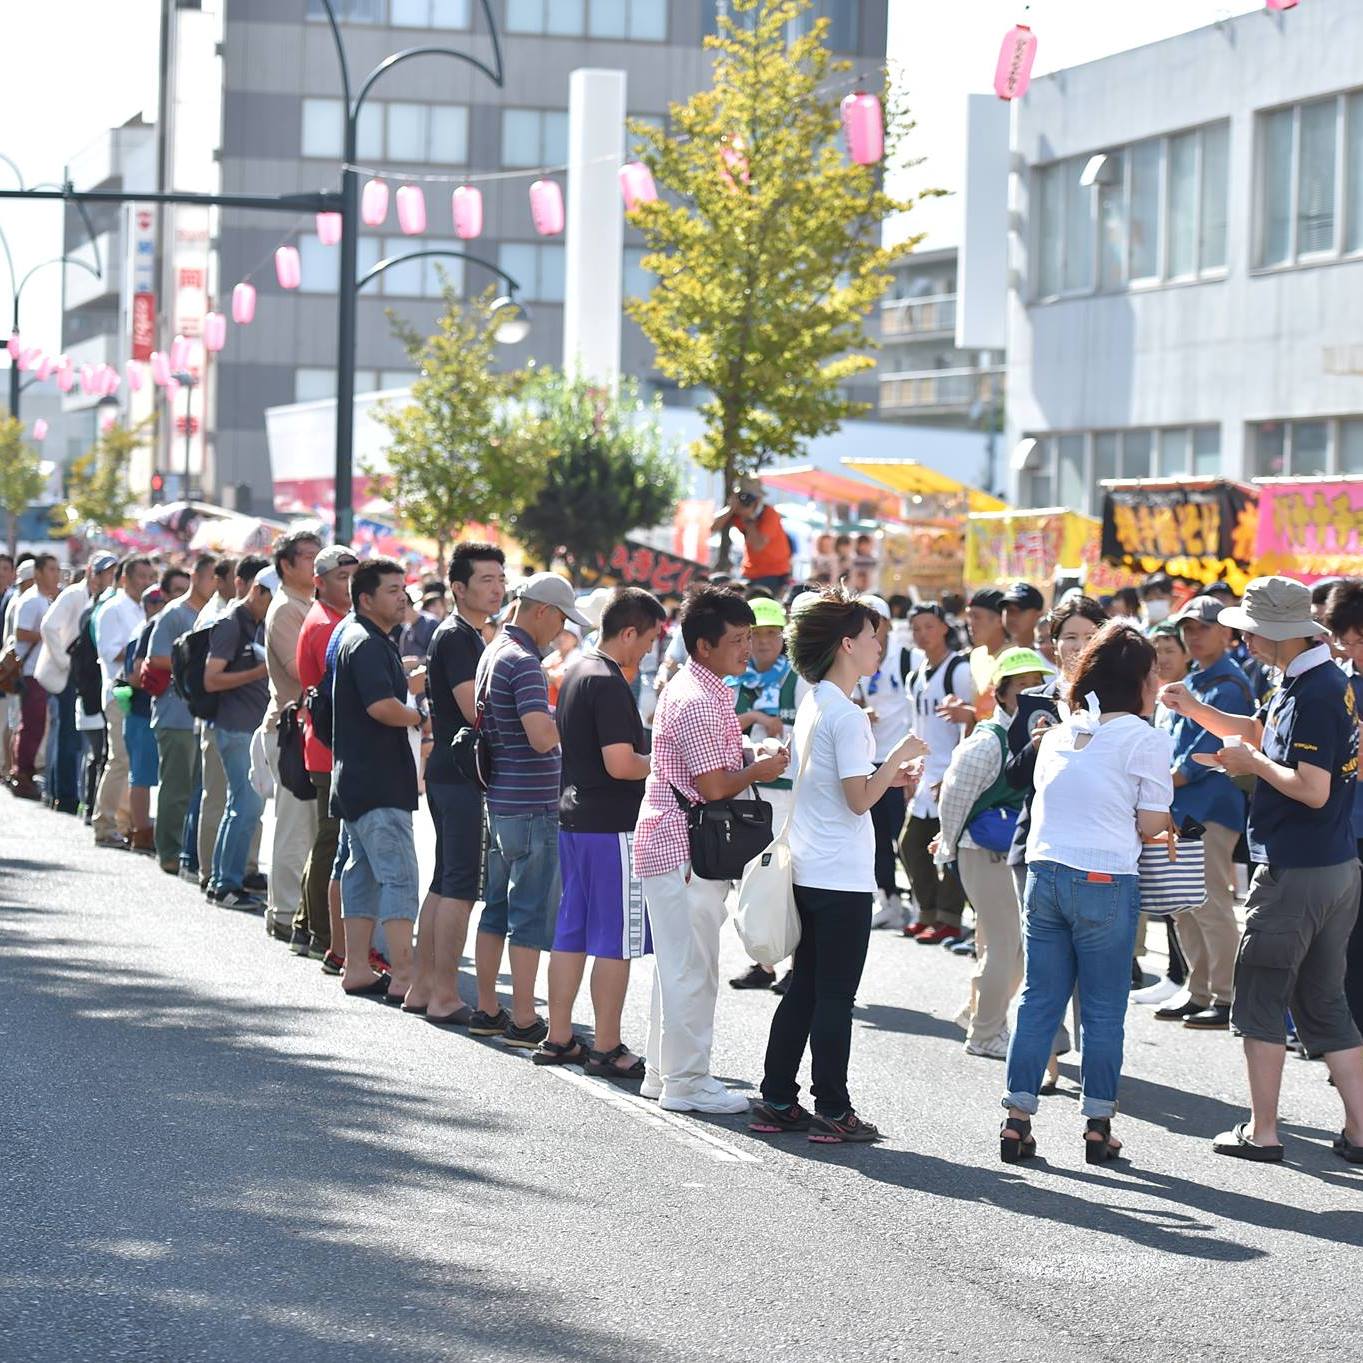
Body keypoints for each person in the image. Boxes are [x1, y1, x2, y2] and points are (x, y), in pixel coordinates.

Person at [1160, 577, 1363, 1164]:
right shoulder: (1310, 680)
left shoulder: (1317, 689)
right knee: (1325, 1004)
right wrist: (1197, 710)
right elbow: (1259, 734)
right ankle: (1357, 1129)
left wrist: (1252, 765)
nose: (1243, 640)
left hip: (1297, 868)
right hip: (1331, 866)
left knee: (1261, 997)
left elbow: (1312, 788)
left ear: (1281, 634)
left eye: (1250, 632)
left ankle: (1263, 1131)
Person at [749, 589, 923, 1143]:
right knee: (833, 997)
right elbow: (857, 800)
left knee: (805, 989)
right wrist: (895, 758)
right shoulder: (847, 715)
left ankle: (777, 1096)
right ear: (847, 643)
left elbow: (838, 783)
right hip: (841, 876)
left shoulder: (815, 699)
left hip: (808, 866)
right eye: (873, 637)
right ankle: (834, 1106)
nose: (880, 646)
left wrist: (882, 773)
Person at [999, 621, 1173, 1165]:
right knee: (1101, 1009)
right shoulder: (1146, 739)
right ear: (1138, 682)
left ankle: (1017, 1119)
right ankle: (1098, 1124)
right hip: (1106, 879)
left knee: (1038, 1000)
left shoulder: (1058, 734)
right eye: (1154, 675)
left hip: (1045, 873)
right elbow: (1149, 825)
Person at [633, 587, 791, 1114]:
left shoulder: (701, 689)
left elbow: (714, 764)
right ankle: (687, 1082)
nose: (747, 649)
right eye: (738, 640)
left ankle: (664, 1074)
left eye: (750, 638)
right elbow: (716, 785)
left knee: (677, 967)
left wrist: (750, 751)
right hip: (685, 848)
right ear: (704, 645)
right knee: (691, 969)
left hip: (678, 844)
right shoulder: (699, 699)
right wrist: (759, 768)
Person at [535, 587, 667, 1076]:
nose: (649, 651)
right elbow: (622, 764)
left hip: (575, 816)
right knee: (616, 939)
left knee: (571, 931)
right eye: (649, 640)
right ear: (628, 632)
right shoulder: (608, 679)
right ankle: (607, 1046)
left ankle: (560, 1036)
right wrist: (664, 763)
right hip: (612, 826)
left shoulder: (576, 670)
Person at [470, 572, 590, 1046]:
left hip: (501, 797)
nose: (561, 631)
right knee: (529, 915)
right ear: (542, 610)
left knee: (496, 909)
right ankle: (523, 1018)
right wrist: (575, 718)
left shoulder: (494, 650)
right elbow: (541, 736)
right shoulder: (523, 661)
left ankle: (487, 1008)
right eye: (560, 619)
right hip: (532, 803)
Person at [404, 542, 505, 1022]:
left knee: (446, 880)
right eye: (486, 580)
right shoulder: (459, 637)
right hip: (458, 772)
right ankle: (444, 994)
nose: (497, 588)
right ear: (458, 587)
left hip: (449, 768)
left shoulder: (464, 634)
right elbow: (474, 710)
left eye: (500, 579)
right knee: (459, 884)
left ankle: (424, 988)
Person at [934, 648, 1051, 1059]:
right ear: (1001, 694)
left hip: (1011, 853)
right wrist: (946, 845)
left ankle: (976, 1014)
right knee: (1008, 946)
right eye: (1022, 685)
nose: (1033, 692)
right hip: (984, 853)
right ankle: (985, 1032)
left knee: (994, 942)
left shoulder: (1040, 739)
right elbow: (953, 800)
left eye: (1040, 684)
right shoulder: (987, 741)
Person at [1156, 595, 1254, 1032]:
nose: (1193, 636)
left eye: (1202, 627)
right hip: (1183, 807)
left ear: (1226, 631)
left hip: (1211, 807)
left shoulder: (1228, 683)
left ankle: (1226, 994)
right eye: (1188, 628)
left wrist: (1153, 780)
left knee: (1209, 901)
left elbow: (1201, 757)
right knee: (1183, 903)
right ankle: (1198, 990)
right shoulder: (1197, 678)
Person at [329, 558, 425, 1001]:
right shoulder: (365, 641)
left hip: (358, 777)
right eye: (391, 590)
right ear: (365, 598)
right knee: (399, 877)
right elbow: (381, 706)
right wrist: (418, 714)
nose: (402, 597)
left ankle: (357, 967)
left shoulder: (361, 636)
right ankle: (404, 975)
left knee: (362, 875)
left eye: (403, 588)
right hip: (377, 779)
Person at [726, 595, 808, 990]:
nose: (763, 642)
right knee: (750, 876)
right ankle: (761, 961)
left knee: (788, 876)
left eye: (773, 634)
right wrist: (756, 717)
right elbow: (723, 725)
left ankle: (796, 965)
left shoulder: (798, 678)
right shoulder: (734, 675)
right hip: (745, 788)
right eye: (756, 634)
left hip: (787, 791)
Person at [293, 544, 359, 961]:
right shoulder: (325, 625)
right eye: (342, 576)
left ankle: (306, 923)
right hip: (327, 747)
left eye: (355, 574)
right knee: (331, 842)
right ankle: (320, 931)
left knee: (327, 840)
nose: (351, 584)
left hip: (327, 745)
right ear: (318, 582)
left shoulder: (336, 620)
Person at [899, 602, 976, 945]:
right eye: (916, 628)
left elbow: (973, 722)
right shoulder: (915, 675)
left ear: (944, 627)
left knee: (950, 850)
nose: (922, 634)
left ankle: (949, 919)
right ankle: (927, 912)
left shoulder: (958, 670)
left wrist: (958, 770)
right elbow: (916, 726)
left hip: (951, 772)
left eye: (929, 626)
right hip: (924, 774)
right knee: (911, 845)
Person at [261, 529, 323, 942]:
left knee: (309, 828)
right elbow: (304, 673)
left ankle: (296, 909)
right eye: (310, 558)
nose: (317, 565)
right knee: (295, 827)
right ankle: (283, 911)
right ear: (286, 564)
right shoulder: (286, 609)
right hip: (289, 728)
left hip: (304, 728)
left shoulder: (307, 605)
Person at [203, 557, 274, 910]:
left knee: (241, 808)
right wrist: (260, 671)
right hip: (235, 728)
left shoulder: (255, 622)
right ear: (258, 592)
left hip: (246, 727)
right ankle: (226, 884)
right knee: (244, 808)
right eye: (272, 599)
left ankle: (223, 882)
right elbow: (211, 678)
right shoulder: (233, 623)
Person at [35, 552, 119, 814]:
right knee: (67, 735)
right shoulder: (74, 594)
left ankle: (61, 792)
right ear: (93, 572)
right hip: (67, 672)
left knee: (73, 735)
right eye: (104, 571)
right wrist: (65, 662)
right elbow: (48, 626)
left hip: (83, 673)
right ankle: (64, 795)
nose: (108, 577)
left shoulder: (106, 598)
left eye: (112, 572)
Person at [147, 554, 215, 874]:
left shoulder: (211, 613)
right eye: (211, 577)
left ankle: (187, 853)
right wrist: (194, 666)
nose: (215, 583)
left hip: (198, 715)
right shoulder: (174, 614)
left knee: (196, 789)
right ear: (195, 577)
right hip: (174, 713)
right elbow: (156, 657)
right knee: (175, 788)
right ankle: (169, 852)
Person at [859, 596, 915, 931]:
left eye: (877, 622)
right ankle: (888, 900)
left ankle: (920, 903)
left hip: (901, 762)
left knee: (905, 838)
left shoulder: (908, 657)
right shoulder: (854, 654)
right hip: (870, 760)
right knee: (877, 838)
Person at [93, 556, 156, 847]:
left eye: (149, 576)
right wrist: (141, 654)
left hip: (139, 695)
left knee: (133, 763)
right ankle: (104, 824)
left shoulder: (145, 609)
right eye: (139, 576)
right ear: (124, 579)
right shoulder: (113, 609)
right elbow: (108, 652)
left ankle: (125, 823)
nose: (145, 581)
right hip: (119, 693)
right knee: (120, 760)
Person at [1323, 581, 1363, 1036]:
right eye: (1344, 640)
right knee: (1347, 946)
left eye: (1359, 639)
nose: (1351, 649)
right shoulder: (1341, 682)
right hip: (1345, 828)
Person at [121, 581, 175, 853]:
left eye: (160, 601)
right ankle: (141, 832)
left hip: (151, 712)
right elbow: (133, 676)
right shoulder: (145, 630)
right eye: (151, 602)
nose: (157, 606)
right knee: (141, 776)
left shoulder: (159, 627)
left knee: (154, 776)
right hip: (141, 712)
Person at [7, 553, 60, 800]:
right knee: (31, 725)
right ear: (37, 573)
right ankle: (22, 774)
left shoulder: (43, 599)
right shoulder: (31, 600)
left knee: (35, 725)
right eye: (51, 569)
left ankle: (23, 771)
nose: (56, 574)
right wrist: (49, 634)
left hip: (39, 671)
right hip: (30, 672)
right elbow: (21, 633)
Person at [710, 475, 791, 592]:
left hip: (773, 572)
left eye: (748, 497)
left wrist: (748, 519)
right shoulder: (737, 512)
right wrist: (730, 508)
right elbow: (713, 528)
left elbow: (758, 545)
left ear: (758, 499)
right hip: (750, 571)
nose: (745, 501)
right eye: (741, 496)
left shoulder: (769, 514)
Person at [965, 588, 1008, 711]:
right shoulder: (976, 655)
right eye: (969, 616)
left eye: (977, 617)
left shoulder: (1013, 655)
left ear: (1000, 620)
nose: (970, 624)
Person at [1001, 582, 1045, 650]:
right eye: (1008, 610)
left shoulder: (1051, 654)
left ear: (1039, 615)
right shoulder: (1000, 654)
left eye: (1020, 610)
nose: (1012, 616)